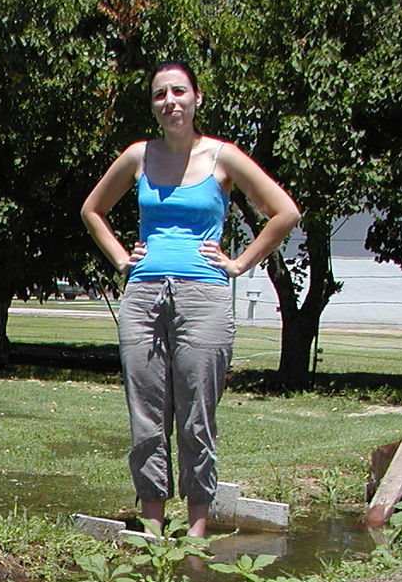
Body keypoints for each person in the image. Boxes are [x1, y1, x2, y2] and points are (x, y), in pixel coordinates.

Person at [81, 60, 300, 538]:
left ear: (197, 98)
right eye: (160, 95)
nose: (170, 102)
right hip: (143, 296)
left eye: (179, 91)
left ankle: (197, 529)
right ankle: (153, 525)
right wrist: (122, 258)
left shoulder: (224, 156)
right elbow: (92, 210)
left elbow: (284, 212)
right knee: (147, 413)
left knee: (197, 415)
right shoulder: (139, 156)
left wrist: (241, 262)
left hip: (204, 296)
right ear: (154, 105)